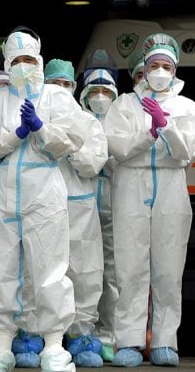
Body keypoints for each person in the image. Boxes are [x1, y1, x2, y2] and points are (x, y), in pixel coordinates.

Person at [0, 27, 84, 372]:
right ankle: (1, 345)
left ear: (39, 60)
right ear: (7, 64)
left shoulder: (57, 98)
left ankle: (53, 345)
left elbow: (72, 141)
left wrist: (40, 128)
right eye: (17, 60)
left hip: (44, 189)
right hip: (0, 190)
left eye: (29, 59)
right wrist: (16, 134)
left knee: (50, 268)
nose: (23, 66)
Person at [105, 32, 195, 368]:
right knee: (130, 267)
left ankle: (165, 341)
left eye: (167, 66)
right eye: (154, 65)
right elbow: (118, 148)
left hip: (171, 185)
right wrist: (149, 133)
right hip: (130, 185)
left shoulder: (188, 108)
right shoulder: (123, 105)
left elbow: (185, 153)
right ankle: (129, 341)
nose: (160, 71)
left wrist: (167, 126)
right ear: (143, 69)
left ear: (175, 71)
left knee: (168, 268)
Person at [44, 58, 109, 368]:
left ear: (73, 87)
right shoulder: (37, 119)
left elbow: (93, 163)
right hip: (43, 203)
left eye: (65, 84)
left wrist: (69, 148)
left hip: (80, 205)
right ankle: (41, 335)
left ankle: (81, 334)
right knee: (43, 271)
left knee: (85, 271)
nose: (60, 89)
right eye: (54, 84)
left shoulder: (88, 122)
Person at [77, 49, 120, 363]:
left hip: (116, 199)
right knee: (82, 268)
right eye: (94, 90)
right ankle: (82, 332)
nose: (100, 97)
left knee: (114, 271)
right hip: (83, 197)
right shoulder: (77, 120)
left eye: (106, 90)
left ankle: (111, 335)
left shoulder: (123, 119)